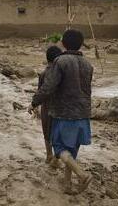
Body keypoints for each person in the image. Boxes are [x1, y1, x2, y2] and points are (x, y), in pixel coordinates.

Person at [29, 30, 93, 194]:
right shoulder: (88, 64)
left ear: (63, 43)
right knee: (72, 151)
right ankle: (67, 184)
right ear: (80, 44)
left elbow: (49, 87)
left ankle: (82, 175)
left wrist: (34, 102)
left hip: (64, 113)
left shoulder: (60, 61)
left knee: (59, 148)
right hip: (83, 113)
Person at [38, 46, 62, 163]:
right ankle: (57, 158)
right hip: (60, 108)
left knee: (47, 134)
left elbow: (41, 92)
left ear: (47, 59)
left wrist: (34, 105)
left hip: (47, 107)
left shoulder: (44, 73)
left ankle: (49, 155)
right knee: (58, 134)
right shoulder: (63, 73)